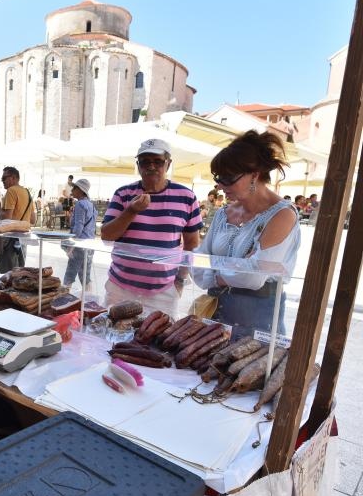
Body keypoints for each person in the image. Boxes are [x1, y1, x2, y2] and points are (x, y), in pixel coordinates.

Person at [191, 130, 300, 339]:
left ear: (255, 174)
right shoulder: (224, 213)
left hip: (258, 324)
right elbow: (199, 264)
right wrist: (239, 266)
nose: (220, 185)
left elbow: (253, 279)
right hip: (214, 317)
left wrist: (216, 273)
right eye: (218, 178)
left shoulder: (282, 215)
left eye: (228, 178)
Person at [100, 139, 202, 316]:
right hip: (120, 286)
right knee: (110, 336)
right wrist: (131, 211)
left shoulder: (186, 197)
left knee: (158, 341)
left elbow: (192, 244)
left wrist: (180, 280)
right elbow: (107, 235)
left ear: (168, 163)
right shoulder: (123, 194)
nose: (151, 166)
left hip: (163, 291)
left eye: (158, 161)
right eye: (145, 161)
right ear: (138, 165)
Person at [0, 166, 36, 270]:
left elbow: (7, 219)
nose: (2, 181)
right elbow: (33, 220)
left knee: (8, 274)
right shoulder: (27, 192)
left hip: (11, 238)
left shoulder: (11, 191)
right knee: (20, 273)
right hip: (23, 238)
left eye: (4, 178)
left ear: (13, 178)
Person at [63, 179, 96, 292]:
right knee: (85, 274)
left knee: (70, 273)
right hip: (89, 244)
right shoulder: (91, 204)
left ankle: (64, 298)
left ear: (82, 191)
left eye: (75, 188)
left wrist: (71, 245)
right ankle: (89, 299)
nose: (72, 190)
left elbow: (78, 228)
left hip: (79, 244)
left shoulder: (80, 204)